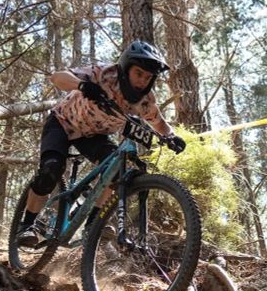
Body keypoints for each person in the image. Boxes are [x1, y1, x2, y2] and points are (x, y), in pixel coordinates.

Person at [16, 40, 186, 246]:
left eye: (148, 77)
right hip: (62, 122)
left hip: (94, 136)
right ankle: (26, 225)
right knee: (51, 169)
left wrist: (171, 136)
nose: (142, 81)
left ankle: (93, 224)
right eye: (138, 73)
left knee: (116, 171)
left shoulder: (145, 100)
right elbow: (57, 77)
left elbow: (158, 122)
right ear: (126, 68)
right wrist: (82, 85)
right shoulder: (103, 74)